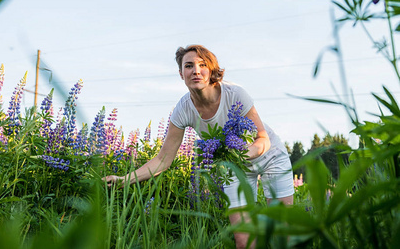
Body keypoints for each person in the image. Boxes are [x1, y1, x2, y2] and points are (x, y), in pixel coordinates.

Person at [104, 44, 294, 249]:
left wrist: (238, 155)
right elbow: (163, 160)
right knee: (243, 241)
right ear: (181, 73)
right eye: (189, 66)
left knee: (282, 235)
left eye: (202, 65)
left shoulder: (235, 94)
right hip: (234, 168)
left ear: (211, 69)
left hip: (270, 157)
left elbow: (262, 139)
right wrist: (124, 180)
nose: (196, 71)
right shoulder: (183, 110)